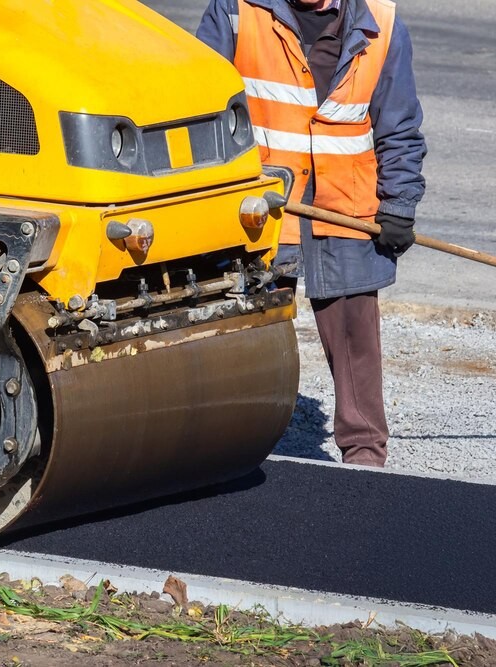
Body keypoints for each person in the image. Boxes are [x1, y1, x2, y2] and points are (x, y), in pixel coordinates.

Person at [197, 0, 426, 467]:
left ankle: (364, 454)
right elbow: (201, 105)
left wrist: (400, 204)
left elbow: (398, 124)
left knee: (354, 333)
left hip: (344, 203)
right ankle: (227, 447)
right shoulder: (239, 9)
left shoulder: (380, 21)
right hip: (263, 204)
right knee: (246, 329)